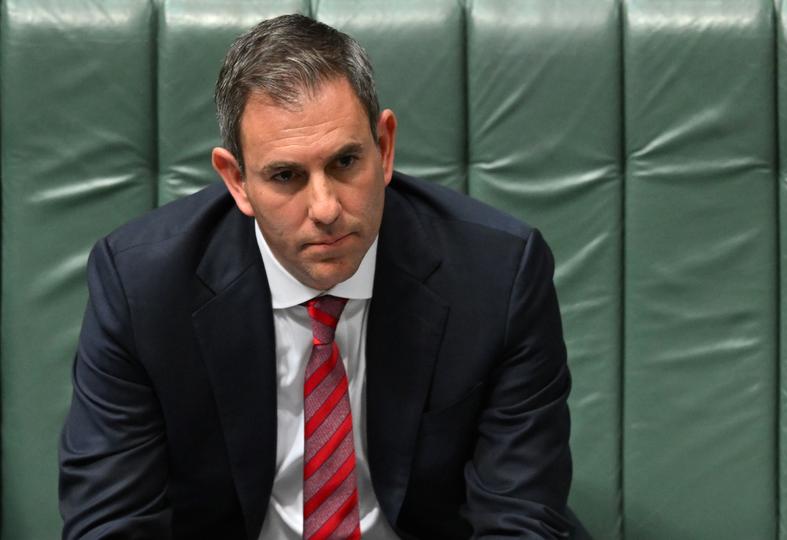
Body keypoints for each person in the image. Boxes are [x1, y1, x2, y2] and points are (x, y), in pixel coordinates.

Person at [59, 14, 572, 540]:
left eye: (346, 162)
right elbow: (110, 521)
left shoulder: (499, 275)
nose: (326, 208)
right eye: (286, 176)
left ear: (385, 147)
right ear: (237, 181)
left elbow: (522, 515)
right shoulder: (142, 288)